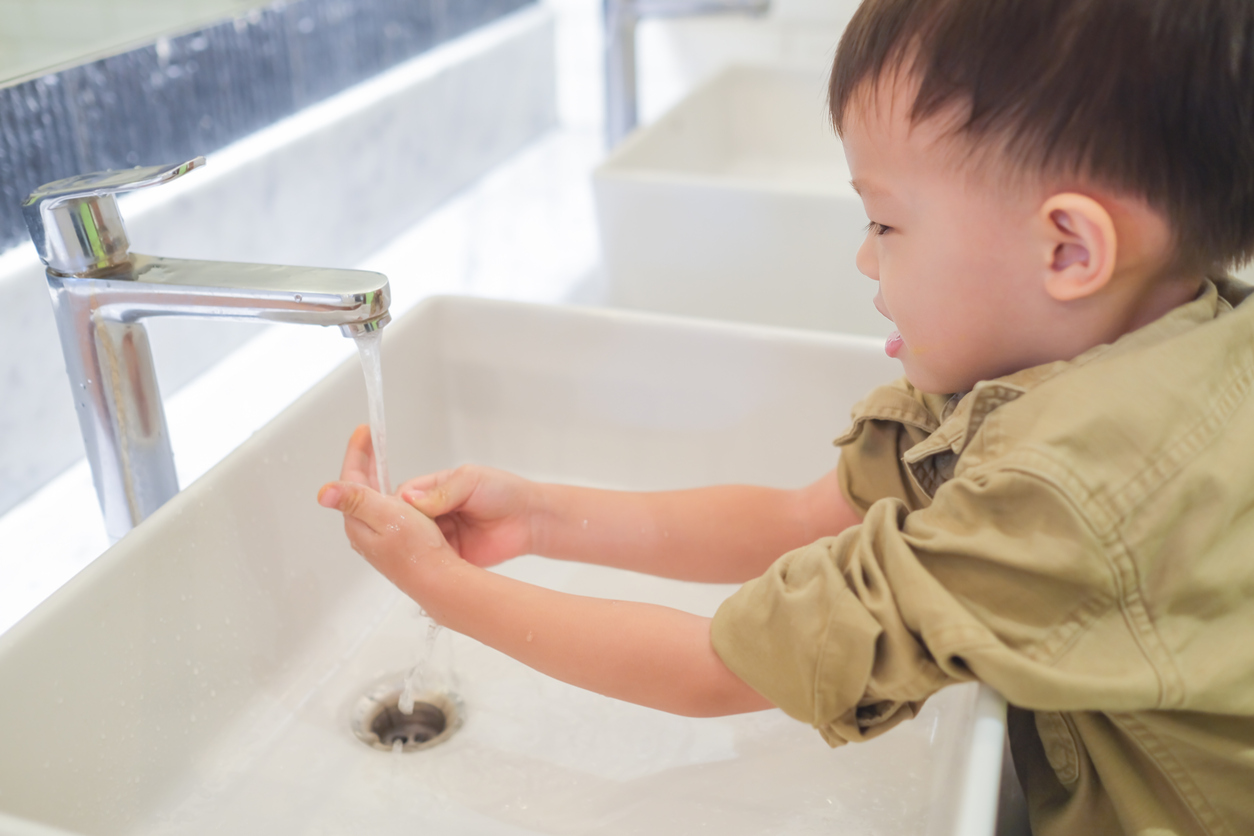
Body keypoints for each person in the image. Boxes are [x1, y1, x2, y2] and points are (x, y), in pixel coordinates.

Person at [318, 0, 1254, 832]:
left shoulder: (1073, 487)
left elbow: (711, 670)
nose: (864, 260)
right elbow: (808, 519)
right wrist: (540, 518)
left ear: (1069, 249)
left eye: (885, 223)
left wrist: (438, 587)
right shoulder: (1105, 352)